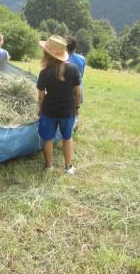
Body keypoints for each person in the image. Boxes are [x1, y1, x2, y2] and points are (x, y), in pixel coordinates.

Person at [37, 35, 81, 175]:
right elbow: (78, 94)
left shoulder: (44, 73)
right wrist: (77, 108)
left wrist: (40, 108)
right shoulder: (73, 69)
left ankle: (49, 166)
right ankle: (68, 167)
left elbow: (41, 96)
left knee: (48, 138)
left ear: (47, 54)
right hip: (68, 111)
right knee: (67, 138)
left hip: (49, 111)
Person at [66, 36, 86, 132]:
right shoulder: (82, 58)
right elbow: (81, 74)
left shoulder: (63, 58)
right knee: (76, 108)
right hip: (78, 86)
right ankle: (75, 126)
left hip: (66, 87)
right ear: (75, 47)